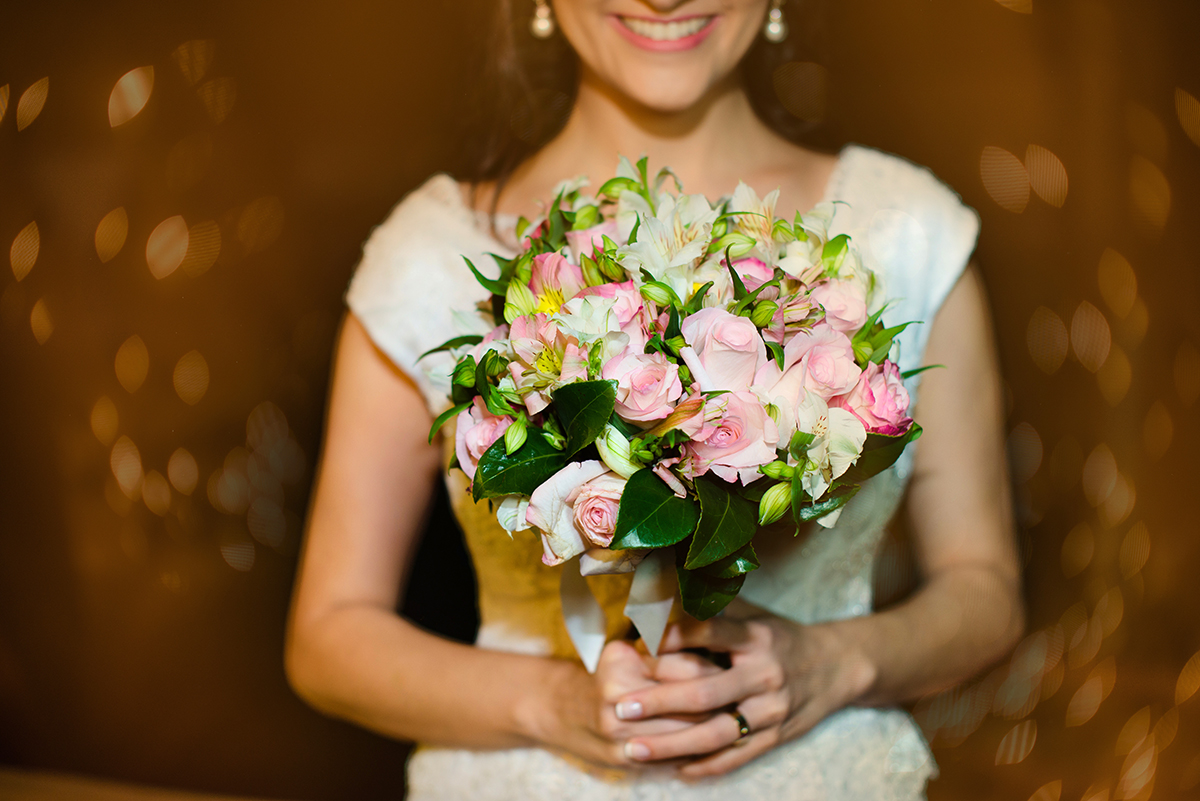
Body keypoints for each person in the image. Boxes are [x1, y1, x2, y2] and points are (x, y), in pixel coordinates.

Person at [285, 0, 1025, 797]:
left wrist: (833, 663)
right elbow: (329, 634)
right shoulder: (432, 254)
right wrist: (554, 704)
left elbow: (984, 590)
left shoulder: (907, 231)